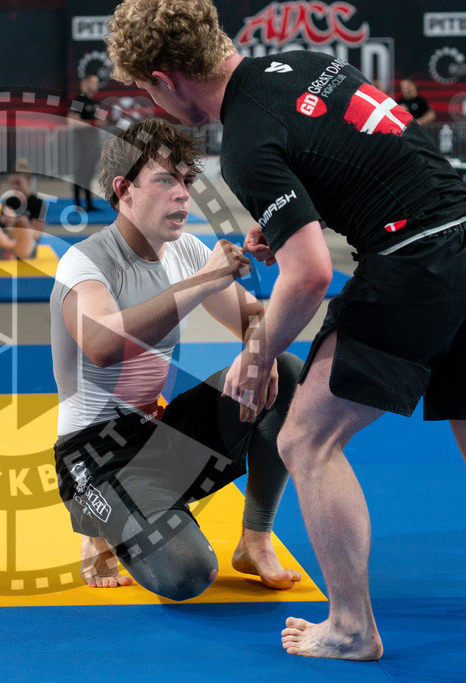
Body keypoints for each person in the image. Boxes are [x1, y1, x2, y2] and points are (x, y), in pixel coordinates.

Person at [106, 0, 466, 661]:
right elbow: (362, 164)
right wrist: (283, 227)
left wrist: (257, 350)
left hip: (418, 265)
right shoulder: (303, 63)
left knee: (306, 440)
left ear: (163, 77)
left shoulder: (245, 141)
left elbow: (310, 276)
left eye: (146, 91)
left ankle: (352, 627)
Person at [51, 117, 303, 600]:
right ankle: (99, 521)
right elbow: (102, 347)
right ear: (124, 190)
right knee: (186, 574)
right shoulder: (86, 260)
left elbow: (253, 318)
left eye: (188, 181)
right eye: (166, 180)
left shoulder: (184, 250)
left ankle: (255, 537)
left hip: (159, 435)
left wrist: (261, 347)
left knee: (286, 370)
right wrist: (205, 281)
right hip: (96, 454)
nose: (183, 194)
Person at [67, 74, 102, 212]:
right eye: (93, 83)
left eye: (97, 83)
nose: (96, 86)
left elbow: (100, 122)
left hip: (92, 143)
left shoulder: (95, 102)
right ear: (85, 84)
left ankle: (89, 203)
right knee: (79, 173)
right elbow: (72, 122)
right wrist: (91, 123)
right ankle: (77, 204)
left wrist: (97, 123)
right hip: (81, 143)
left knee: (89, 173)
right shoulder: (78, 100)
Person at [0, 158, 46, 259]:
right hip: (10, 242)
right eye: (11, 184)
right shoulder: (9, 201)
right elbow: (1, 231)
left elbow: (36, 235)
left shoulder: (38, 202)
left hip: (28, 246)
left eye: (18, 183)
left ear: (28, 181)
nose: (14, 187)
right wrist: (5, 222)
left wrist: (23, 222)